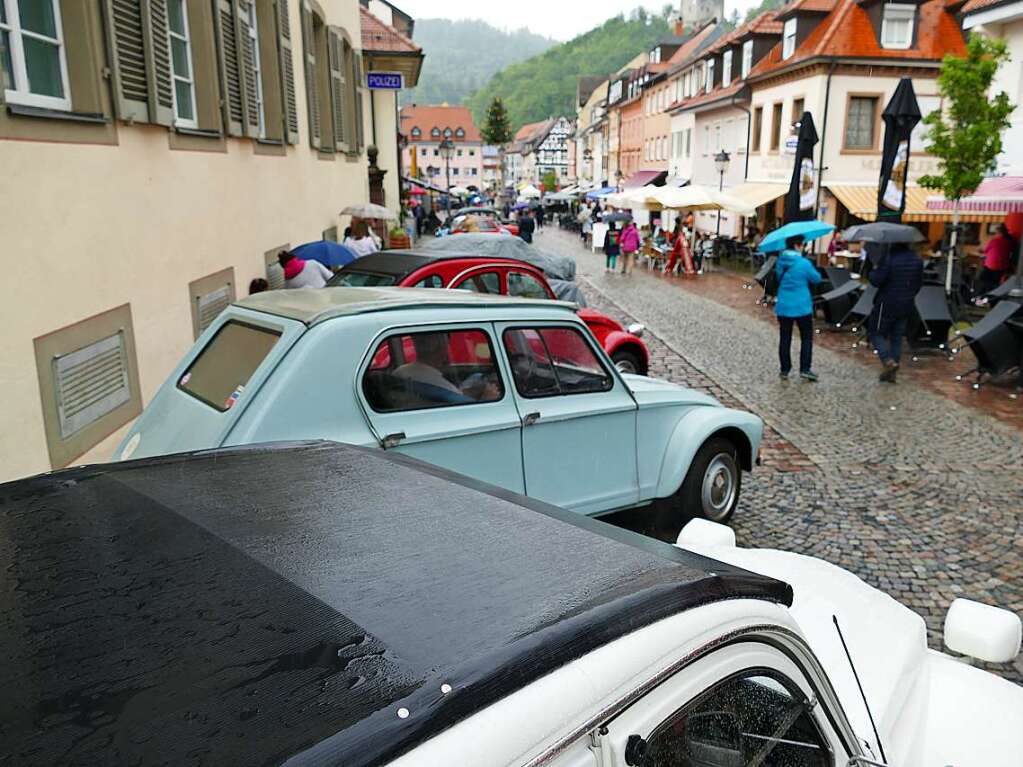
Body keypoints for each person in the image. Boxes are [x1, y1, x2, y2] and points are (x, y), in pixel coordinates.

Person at [868, 243, 924, 383]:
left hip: (886, 303)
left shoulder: (889, 259)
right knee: (897, 337)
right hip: (906, 303)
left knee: (876, 333)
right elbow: (918, 283)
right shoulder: (917, 260)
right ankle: (891, 373)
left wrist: (874, 269)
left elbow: (876, 280)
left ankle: (888, 361)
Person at [774, 235, 822, 381]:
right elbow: (817, 278)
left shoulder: (780, 261)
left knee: (785, 337)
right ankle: (805, 369)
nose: (803, 247)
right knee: (806, 337)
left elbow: (777, 278)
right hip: (802, 307)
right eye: (802, 245)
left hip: (783, 305)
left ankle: (785, 369)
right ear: (796, 246)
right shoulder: (804, 263)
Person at [976, 224, 1015, 297]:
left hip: (991, 265)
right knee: (995, 283)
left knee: (982, 281)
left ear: (999, 233)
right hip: (1002, 266)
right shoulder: (1009, 242)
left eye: (996, 233)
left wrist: (981, 251)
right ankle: (991, 298)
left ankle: (980, 297)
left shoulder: (995, 241)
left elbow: (986, 251)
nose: (995, 234)